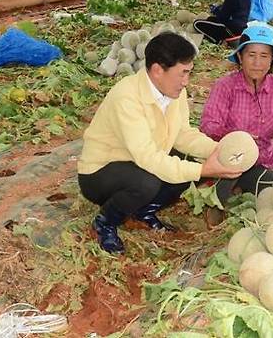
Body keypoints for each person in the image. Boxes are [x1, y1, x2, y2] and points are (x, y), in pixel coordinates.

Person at [77, 32, 244, 253]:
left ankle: (142, 212)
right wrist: (203, 169)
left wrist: (217, 150)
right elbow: (147, 157)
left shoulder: (174, 92)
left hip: (136, 162)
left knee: (187, 163)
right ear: (157, 70)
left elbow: (183, 134)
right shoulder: (126, 97)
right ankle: (105, 222)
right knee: (149, 181)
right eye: (182, 74)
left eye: (189, 73)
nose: (186, 82)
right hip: (100, 174)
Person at [200, 25, 273, 201]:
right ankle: (224, 191)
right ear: (240, 56)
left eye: (264, 56)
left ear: (272, 59)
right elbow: (208, 125)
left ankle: (241, 187)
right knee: (217, 197)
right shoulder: (225, 86)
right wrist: (237, 138)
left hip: (262, 161)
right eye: (251, 55)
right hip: (228, 159)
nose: (257, 63)